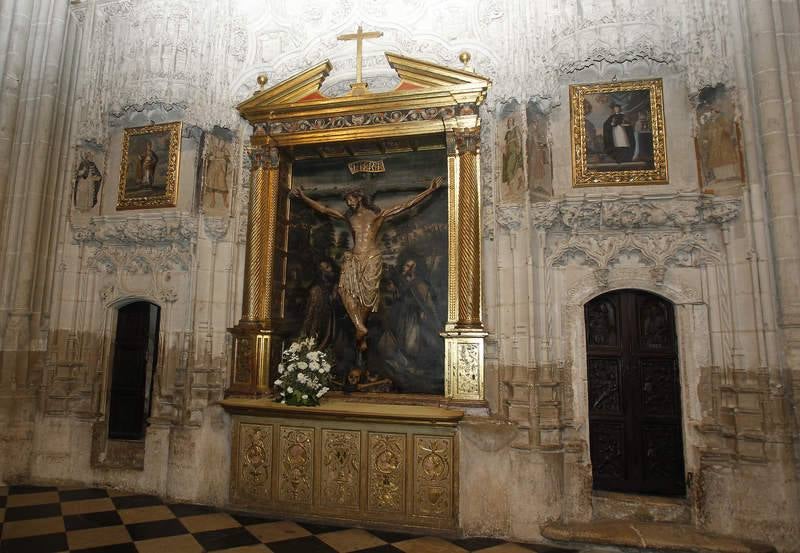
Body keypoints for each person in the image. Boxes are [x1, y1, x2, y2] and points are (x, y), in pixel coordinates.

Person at [291, 177, 442, 351]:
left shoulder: (377, 215)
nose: (348, 203)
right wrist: (303, 197)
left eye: (350, 199)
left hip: (371, 257)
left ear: (359, 198)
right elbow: (324, 209)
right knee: (343, 290)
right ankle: (359, 327)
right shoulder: (348, 217)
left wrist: (430, 190)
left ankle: (360, 331)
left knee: (368, 297)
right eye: (346, 201)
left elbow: (406, 205)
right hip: (354, 258)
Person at [301, 258, 339, 350]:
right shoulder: (317, 291)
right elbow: (311, 315)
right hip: (319, 331)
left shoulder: (336, 285)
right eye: (324, 268)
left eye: (328, 267)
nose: (328, 270)